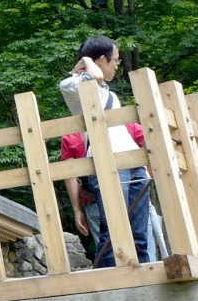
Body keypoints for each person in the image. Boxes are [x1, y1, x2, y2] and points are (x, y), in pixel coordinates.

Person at [58, 36, 151, 267]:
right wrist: (86, 61)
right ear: (100, 60)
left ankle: (144, 276)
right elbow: (94, 77)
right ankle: (109, 281)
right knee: (112, 231)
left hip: (132, 162)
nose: (117, 65)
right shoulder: (70, 85)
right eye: (115, 60)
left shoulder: (111, 95)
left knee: (139, 232)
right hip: (106, 163)